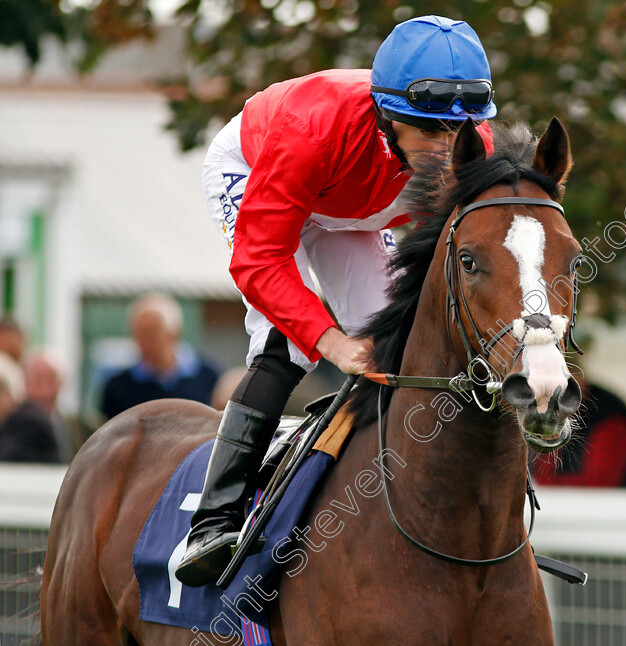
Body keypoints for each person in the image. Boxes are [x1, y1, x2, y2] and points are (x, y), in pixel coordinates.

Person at [175, 15, 497, 586]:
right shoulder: (311, 127)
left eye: (460, 133)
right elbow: (259, 261)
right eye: (430, 133)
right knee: (287, 340)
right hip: (259, 170)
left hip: (356, 202)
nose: (448, 154)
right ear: (387, 115)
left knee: (391, 343)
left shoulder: (469, 146)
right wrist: (330, 341)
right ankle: (212, 521)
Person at [100, 293, 219, 419]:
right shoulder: (118, 388)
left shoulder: (208, 377)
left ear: (174, 333)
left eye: (152, 332)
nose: (145, 342)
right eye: (139, 333)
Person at [530, 381, 626, 488]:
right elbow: (543, 472)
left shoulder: (610, 415)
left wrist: (543, 486)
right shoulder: (554, 415)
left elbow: (599, 483)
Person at [0, 350, 68, 464]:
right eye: (38, 380)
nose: (45, 390)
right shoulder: (27, 424)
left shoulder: (73, 425)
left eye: (51, 380)